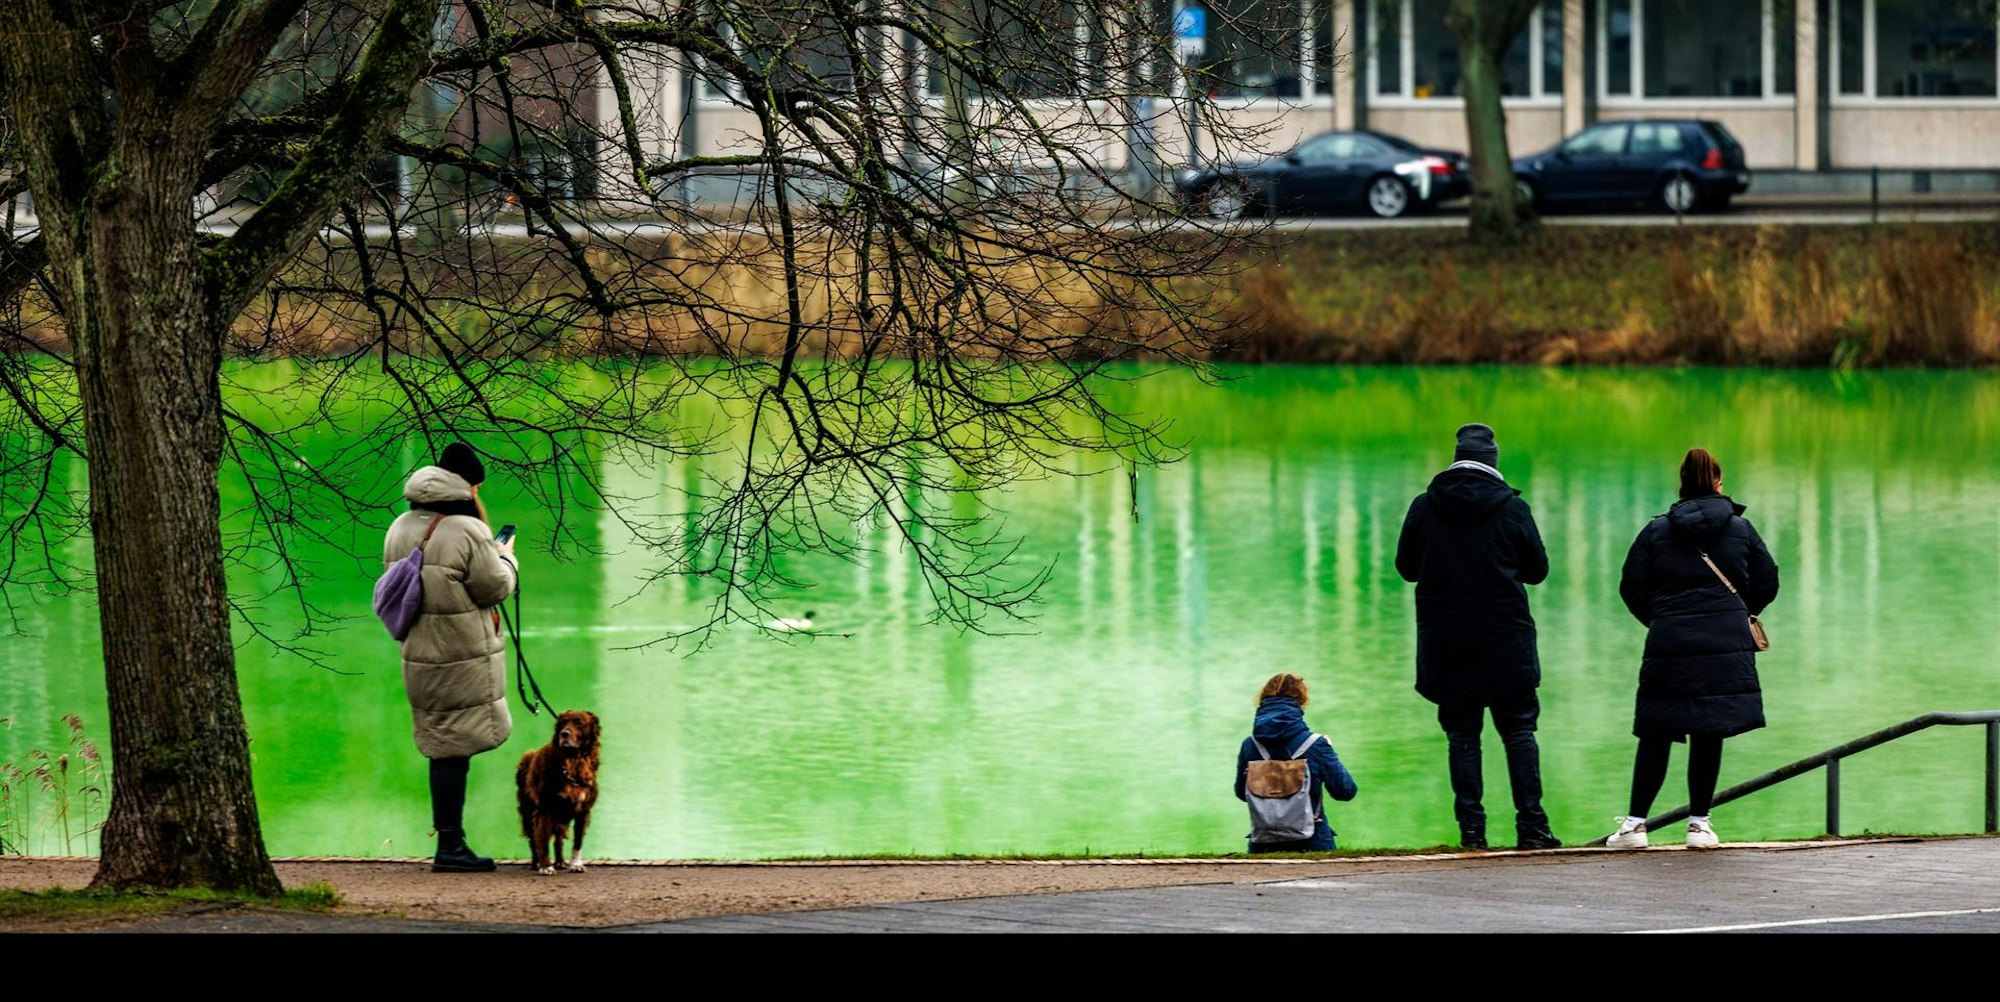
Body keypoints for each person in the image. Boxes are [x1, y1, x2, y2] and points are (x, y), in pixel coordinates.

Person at [1395, 423, 1557, 851]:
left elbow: (1407, 568)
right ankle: (1533, 829)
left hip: (1446, 643)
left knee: (1463, 737)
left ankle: (1472, 833)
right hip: (1506, 642)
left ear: (1455, 458)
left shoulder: (1423, 507)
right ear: (1493, 460)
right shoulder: (1512, 510)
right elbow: (1537, 571)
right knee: (1519, 733)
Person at [1607, 448, 1779, 849]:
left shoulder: (1656, 531)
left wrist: (1661, 618)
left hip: (1670, 638)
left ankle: (1634, 826)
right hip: (1725, 638)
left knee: (1657, 729)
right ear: (1719, 483)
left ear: (1681, 484)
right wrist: (1737, 611)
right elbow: (1768, 581)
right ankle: (1699, 826)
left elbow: (1630, 586)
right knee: (1709, 729)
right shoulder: (1741, 529)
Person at [383, 441, 519, 872]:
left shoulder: (400, 526)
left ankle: (450, 841)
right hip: (459, 654)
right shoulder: (467, 530)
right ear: (469, 486)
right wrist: (508, 561)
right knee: (453, 749)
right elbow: (493, 587)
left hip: (419, 653)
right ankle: (450, 848)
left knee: (443, 744)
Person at [1234, 673, 1358, 853]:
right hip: (1312, 844)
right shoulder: (1316, 744)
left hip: (1263, 845)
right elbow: (1345, 792)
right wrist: (1329, 749)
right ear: (1301, 701)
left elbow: (1241, 793)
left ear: (1263, 700)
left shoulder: (1250, 745)